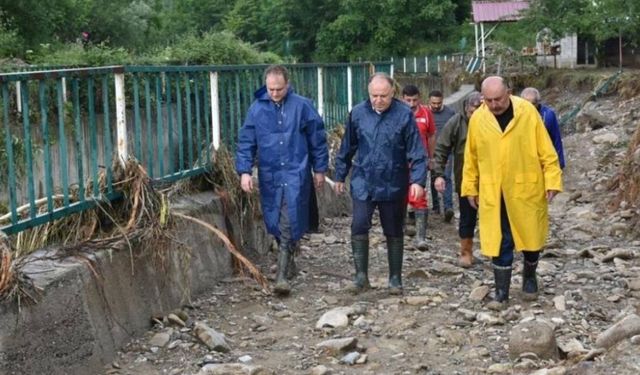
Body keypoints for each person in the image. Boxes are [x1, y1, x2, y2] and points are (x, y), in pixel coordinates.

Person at [461, 76, 563, 307]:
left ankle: (529, 277)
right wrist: (470, 187)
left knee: (531, 236)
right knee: (500, 239)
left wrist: (552, 180)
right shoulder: (478, 119)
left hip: (526, 186)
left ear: (509, 92)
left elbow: (546, 149)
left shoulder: (527, 112)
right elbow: (471, 157)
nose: (495, 104)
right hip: (494, 191)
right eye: (489, 100)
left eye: (498, 99)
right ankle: (501, 292)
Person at [236, 65, 329, 296]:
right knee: (273, 220)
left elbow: (317, 139)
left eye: (279, 89)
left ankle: (281, 276)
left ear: (287, 85)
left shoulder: (302, 106)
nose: (275, 93)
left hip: (296, 171)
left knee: (290, 218)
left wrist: (319, 169)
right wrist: (245, 171)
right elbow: (246, 141)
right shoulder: (257, 110)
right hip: (270, 173)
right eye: (271, 89)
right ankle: (289, 257)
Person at [334, 73, 427, 295]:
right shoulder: (358, 113)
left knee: (394, 229)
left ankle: (395, 278)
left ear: (393, 92)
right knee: (358, 225)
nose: (378, 100)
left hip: (393, 181)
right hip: (363, 179)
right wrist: (339, 175)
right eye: (374, 96)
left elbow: (417, 152)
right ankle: (360, 277)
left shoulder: (404, 114)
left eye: (383, 96)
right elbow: (347, 147)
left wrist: (418, 180)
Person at [433, 91, 482, 267]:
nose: (475, 116)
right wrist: (438, 174)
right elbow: (441, 148)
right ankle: (466, 252)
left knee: (496, 218)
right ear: (465, 109)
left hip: (493, 180)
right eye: (472, 112)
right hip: (466, 180)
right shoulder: (457, 122)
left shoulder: (493, 121)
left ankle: (498, 252)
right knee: (467, 217)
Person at [402, 84, 436, 249]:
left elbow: (431, 136)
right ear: (403, 99)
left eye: (414, 100)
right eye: (408, 100)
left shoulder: (426, 114)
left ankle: (420, 238)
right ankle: (399, 232)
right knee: (400, 195)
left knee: (419, 195)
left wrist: (431, 158)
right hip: (401, 161)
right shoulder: (398, 114)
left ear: (419, 99)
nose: (411, 103)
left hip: (420, 161)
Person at [428, 90, 457, 222]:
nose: (436, 105)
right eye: (433, 103)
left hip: (446, 151)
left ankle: (448, 207)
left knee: (446, 178)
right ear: (429, 101)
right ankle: (435, 206)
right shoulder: (425, 113)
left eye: (438, 103)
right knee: (434, 177)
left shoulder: (450, 113)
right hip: (431, 151)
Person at [520, 87, 566, 169]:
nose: (530, 107)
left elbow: (556, 139)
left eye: (533, 104)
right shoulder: (516, 114)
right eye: (526, 103)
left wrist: (560, 163)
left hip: (544, 155)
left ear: (538, 102)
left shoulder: (548, 115)